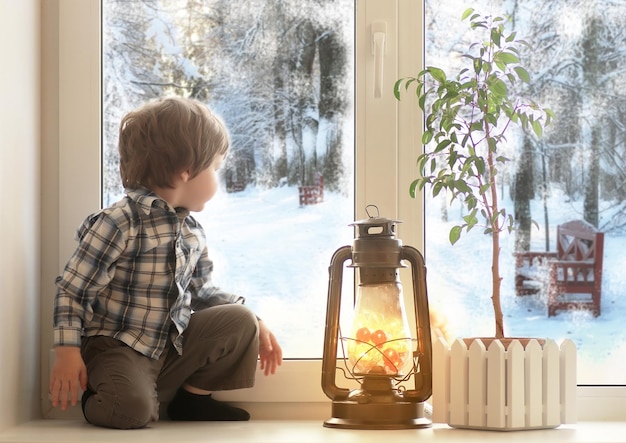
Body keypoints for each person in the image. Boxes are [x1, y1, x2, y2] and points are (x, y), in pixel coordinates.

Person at [50, 96, 282, 429]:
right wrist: (67, 352)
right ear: (185, 170)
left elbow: (203, 292)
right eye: (215, 169)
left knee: (241, 319)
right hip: (119, 345)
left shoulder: (192, 232)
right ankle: (104, 397)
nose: (218, 179)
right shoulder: (118, 222)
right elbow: (73, 291)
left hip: (170, 344)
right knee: (131, 412)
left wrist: (256, 322)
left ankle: (193, 400)